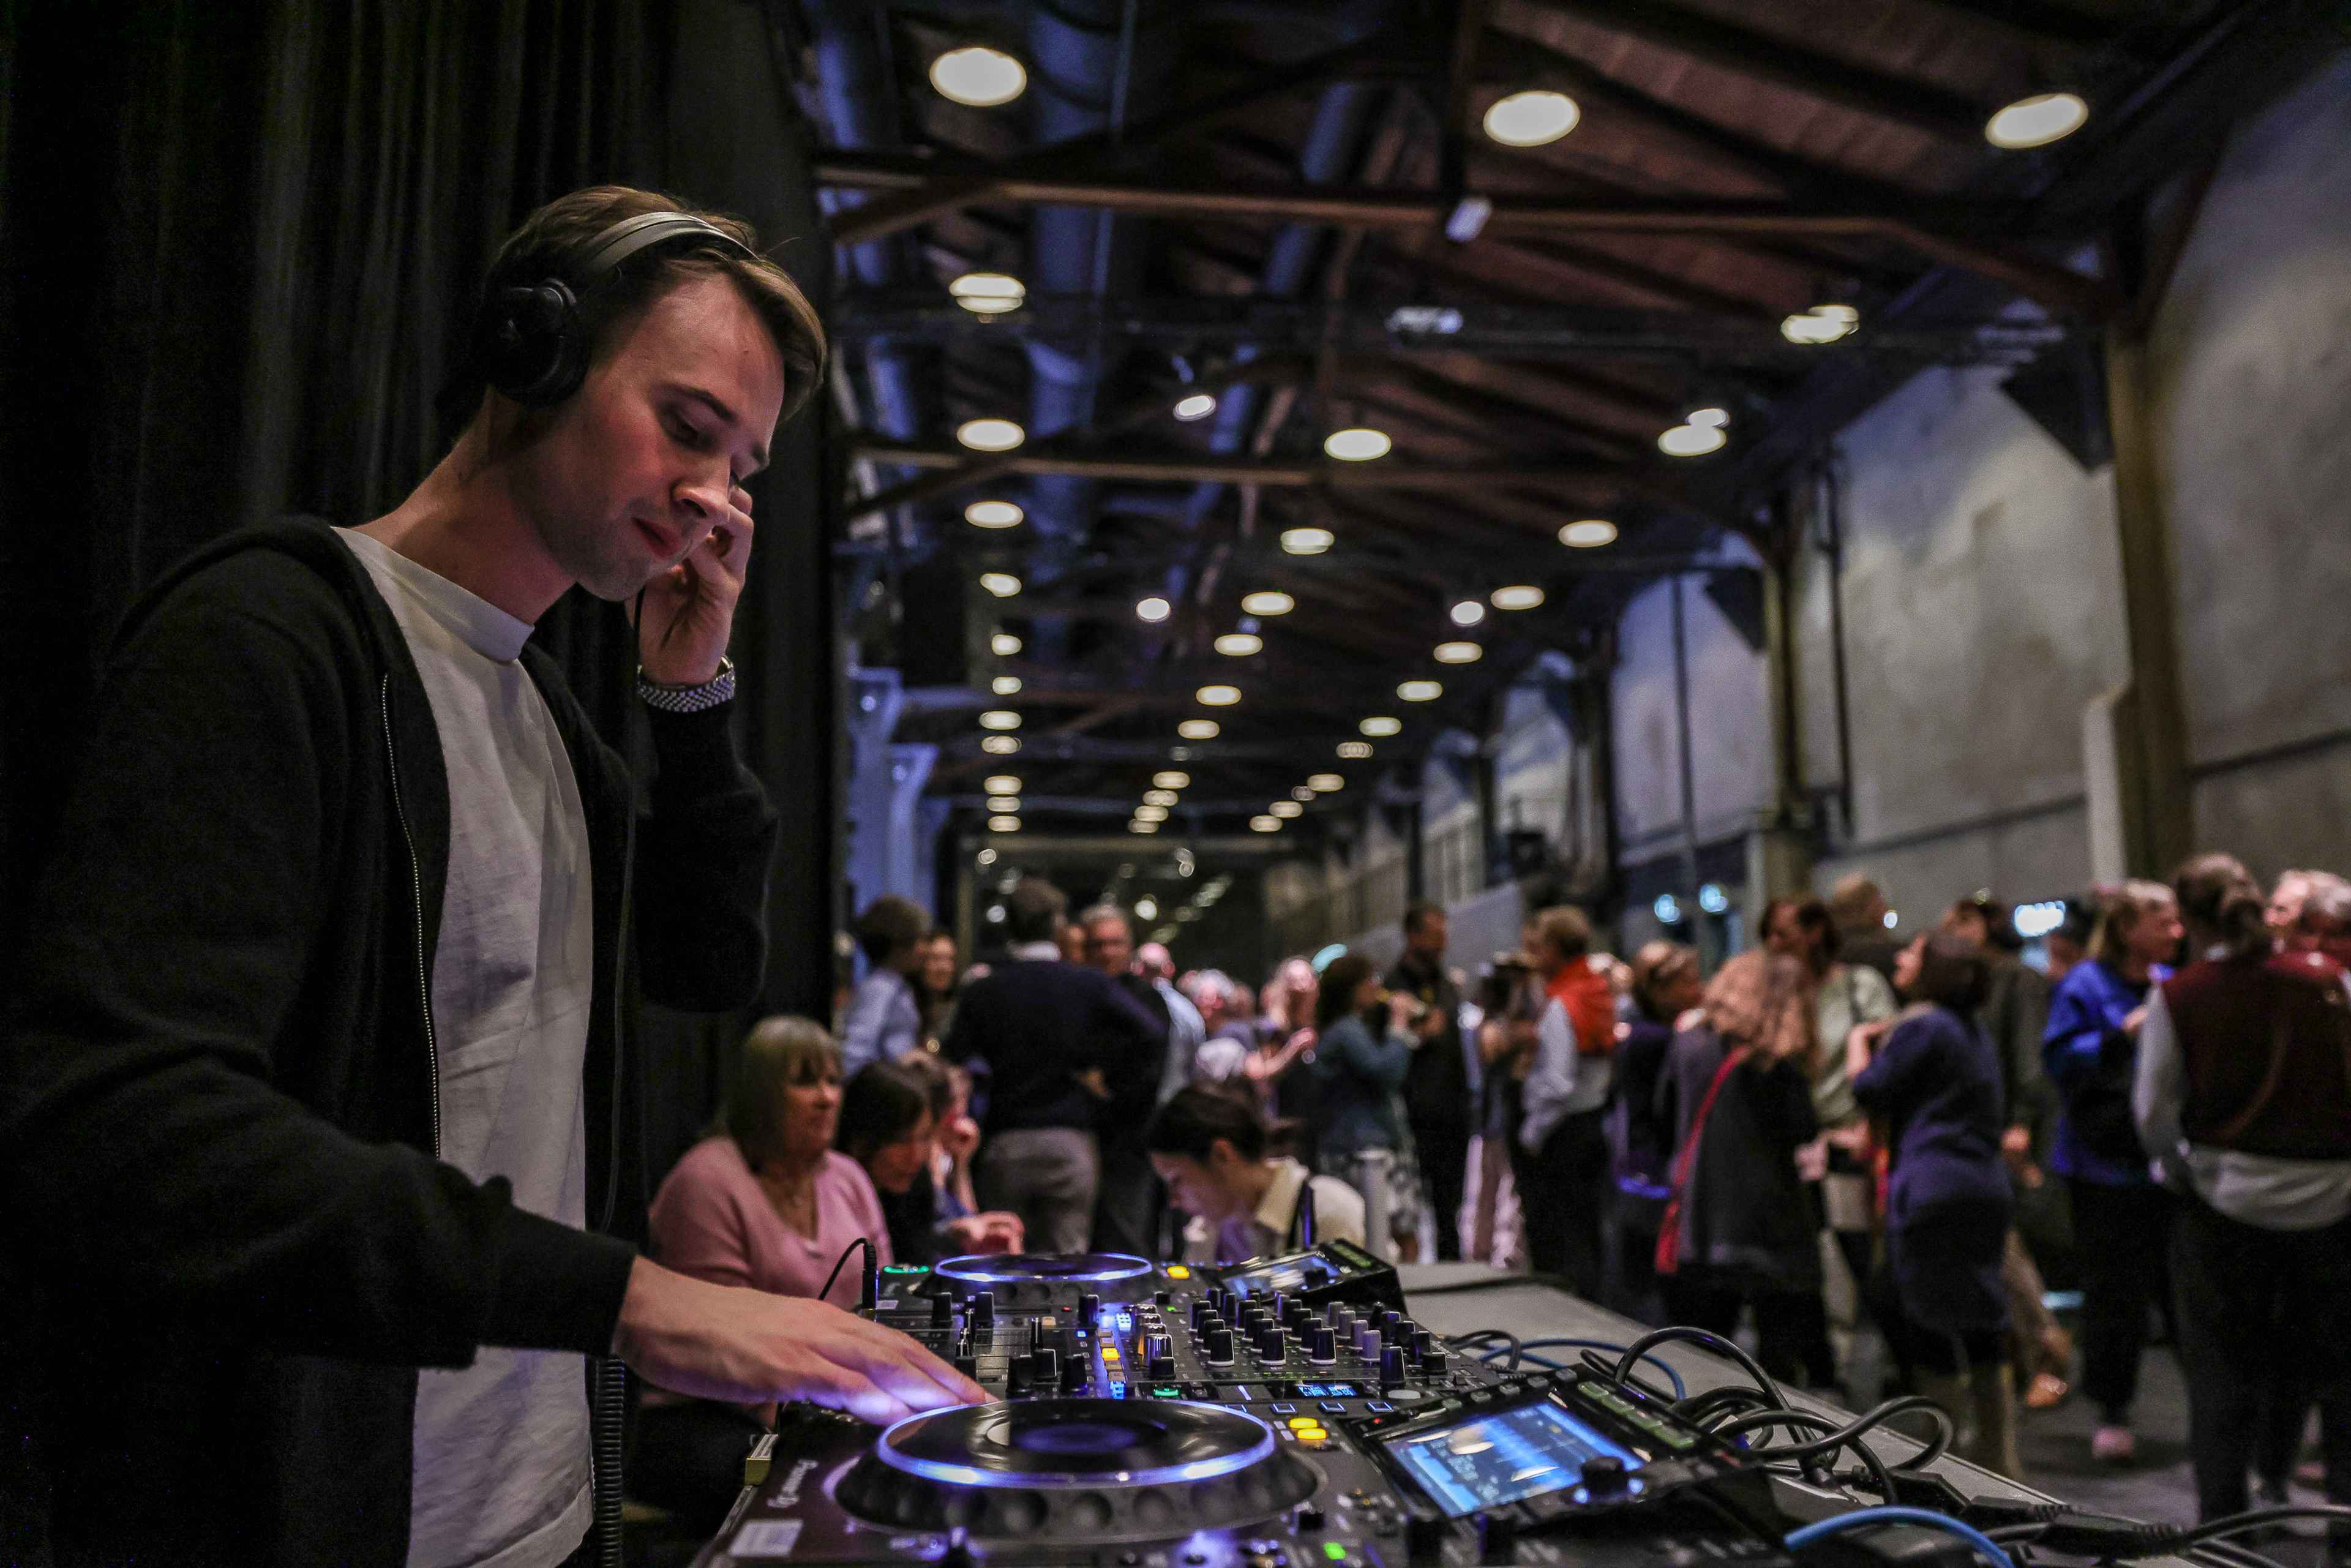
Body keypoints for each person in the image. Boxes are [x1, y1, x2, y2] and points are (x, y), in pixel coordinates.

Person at [0, 186, 978, 1567]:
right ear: (538, 352)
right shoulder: (268, 639)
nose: (715, 496)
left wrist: (691, 700)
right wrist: (631, 1297)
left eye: (743, 465)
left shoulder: (551, 724)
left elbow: (705, 964)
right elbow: (121, 1119)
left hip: (547, 1507)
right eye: (688, 425)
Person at [2136, 855, 2351, 1523]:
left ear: (2191, 920)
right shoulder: (2327, 984)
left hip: (2225, 1206)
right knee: (2339, 1378)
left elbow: (2153, 1111)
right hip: (2333, 1204)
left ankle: (2225, 1528)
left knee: (2220, 1378)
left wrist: (2180, 1169)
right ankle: (2343, 1524)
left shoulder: (2180, 994)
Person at [639, 1019, 902, 1528]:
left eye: (834, 1081)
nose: (827, 1098)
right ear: (759, 1093)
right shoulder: (708, 1178)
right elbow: (724, 1349)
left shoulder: (847, 1176)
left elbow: (885, 1300)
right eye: (805, 1081)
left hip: (820, 1397)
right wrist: (840, 1416)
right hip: (706, 1413)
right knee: (820, 1478)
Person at [1851, 932, 2020, 1479]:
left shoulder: (1922, 1024)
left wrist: (1858, 1042)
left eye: (1913, 952)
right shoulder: (1972, 1027)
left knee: (1929, 1322)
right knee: (1983, 1318)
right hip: (1984, 1185)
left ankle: (1942, 1462)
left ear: (1932, 970)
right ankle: (1998, 1458)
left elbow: (1869, 1090)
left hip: (1932, 1188)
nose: (1901, 957)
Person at [2042, 877, 2183, 1464]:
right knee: (2113, 1295)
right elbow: (2057, 1057)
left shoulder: (2171, 982)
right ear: (2128, 929)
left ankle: (2218, 1412)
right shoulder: (2086, 983)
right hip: (2101, 1164)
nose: (2176, 931)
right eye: (2163, 921)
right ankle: (2113, 1409)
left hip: (2165, 1162)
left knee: (2181, 1291)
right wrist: (2117, 1034)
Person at [944, 879, 1163, 1252]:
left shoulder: (984, 989)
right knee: (1069, 1261)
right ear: (1058, 926)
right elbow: (1150, 1032)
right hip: (1070, 1142)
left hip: (1006, 1140)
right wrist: (1109, 1080)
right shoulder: (1088, 984)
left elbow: (954, 1057)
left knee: (1002, 1255)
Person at [1654, 951, 1828, 1387]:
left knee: (1701, 1362)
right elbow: (1803, 1130)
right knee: (1777, 1368)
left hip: (1701, 1221)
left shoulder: (1689, 1044)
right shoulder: (1779, 1062)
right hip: (1770, 1227)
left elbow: (1664, 1117)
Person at [1762, 895, 1897, 1332]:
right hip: (1792, 1153)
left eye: (1782, 933)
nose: (1773, 944)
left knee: (1863, 1264)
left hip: (1849, 1147)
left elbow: (1892, 1059)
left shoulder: (1860, 986)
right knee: (1806, 1280)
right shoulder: (1773, 997)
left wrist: (1871, 1125)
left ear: (1815, 932)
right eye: (1767, 935)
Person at [1518, 906, 1622, 1299]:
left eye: (1540, 947)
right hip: (1592, 1122)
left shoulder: (1564, 1002)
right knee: (1588, 1234)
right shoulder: (1596, 991)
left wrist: (1532, 1132)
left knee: (1564, 1243)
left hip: (1564, 1132)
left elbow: (1557, 1084)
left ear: (1554, 949)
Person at [1149, 1086, 1368, 1263]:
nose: (1174, 1201)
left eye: (1177, 1181)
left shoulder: (1328, 1211)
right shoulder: (1208, 1231)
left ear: (1222, 1155)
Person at [838, 1057, 1021, 1267]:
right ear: (861, 1139)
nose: (915, 1156)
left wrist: (958, 1236)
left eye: (924, 1138)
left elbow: (917, 1249)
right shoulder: (833, 1191)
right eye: (902, 1140)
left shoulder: (917, 1184)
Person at [1610, 941, 1703, 1321]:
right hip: (1657, 1166)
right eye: (1687, 983)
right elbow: (1663, 1112)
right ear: (1659, 990)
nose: (1698, 991)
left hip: (1646, 1163)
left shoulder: (1650, 1032)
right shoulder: (1656, 1038)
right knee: (1656, 1278)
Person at [1079, 904, 1174, 1256]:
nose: (1107, 952)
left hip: (1129, 1143)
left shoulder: (1147, 999)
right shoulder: (1076, 995)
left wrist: (1102, 1087)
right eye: (1097, 944)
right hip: (1079, 1139)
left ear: (1129, 947)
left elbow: (1148, 1072)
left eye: (1115, 943)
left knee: (1126, 1245)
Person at [1311, 951, 1420, 1255]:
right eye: (1371, 980)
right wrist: (1400, 1026)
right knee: (1389, 1235)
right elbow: (1386, 1072)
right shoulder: (1346, 1030)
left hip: (1352, 1145)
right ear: (1353, 988)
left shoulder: (1342, 1029)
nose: (1377, 987)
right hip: (1365, 1151)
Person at [1388, 902, 1472, 1262]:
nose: (1442, 943)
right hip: (1412, 1115)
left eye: (1444, 934)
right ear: (1413, 936)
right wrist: (1416, 1034)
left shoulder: (1446, 984)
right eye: (1434, 934)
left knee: (1450, 1208)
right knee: (1407, 1213)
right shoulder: (1392, 988)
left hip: (1451, 1112)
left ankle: (1451, 1269)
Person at [841, 893, 929, 1078]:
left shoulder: (895, 986)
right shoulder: (880, 989)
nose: (925, 949)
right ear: (899, 944)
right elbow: (853, 1057)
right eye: (919, 940)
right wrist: (899, 1065)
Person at [1139, 939, 1208, 1103]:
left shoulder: (1126, 1004)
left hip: (1136, 1101)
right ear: (1170, 969)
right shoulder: (1189, 1011)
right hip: (1175, 1100)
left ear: (1137, 969)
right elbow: (1197, 1061)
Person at [1829, 873, 1905, 983]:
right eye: (1880, 900)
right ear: (1872, 906)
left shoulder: (1831, 953)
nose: (1885, 907)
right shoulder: (1889, 954)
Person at [917, 928, 962, 1046]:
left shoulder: (960, 1008)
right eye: (935, 959)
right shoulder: (907, 1005)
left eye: (950, 959)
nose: (944, 968)